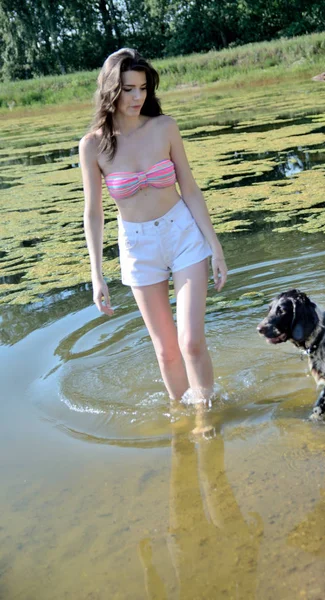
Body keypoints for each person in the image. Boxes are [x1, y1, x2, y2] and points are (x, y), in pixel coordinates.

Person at [79, 48, 227, 404]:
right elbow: (94, 213)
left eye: (143, 88)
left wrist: (215, 247)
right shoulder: (93, 146)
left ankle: (206, 418)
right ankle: (185, 413)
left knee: (190, 341)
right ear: (111, 90)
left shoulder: (165, 127)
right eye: (128, 89)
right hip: (138, 246)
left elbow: (189, 188)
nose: (137, 97)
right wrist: (97, 274)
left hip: (182, 234)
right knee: (166, 352)